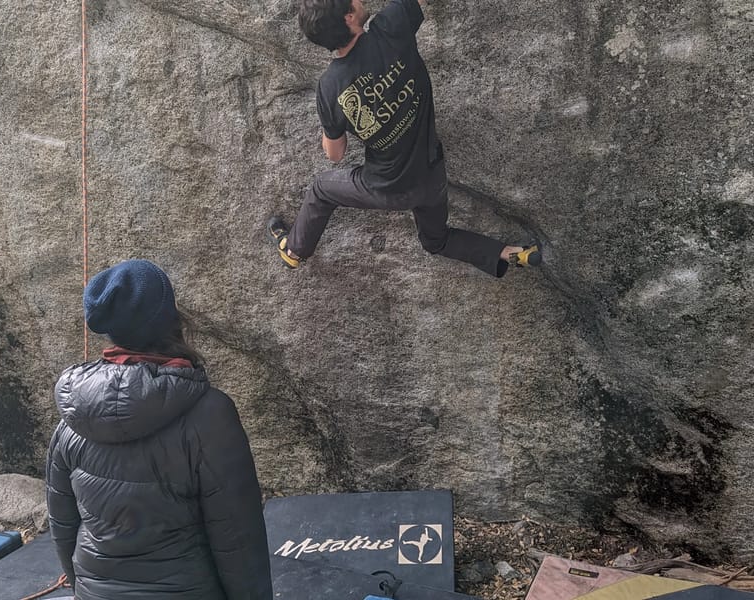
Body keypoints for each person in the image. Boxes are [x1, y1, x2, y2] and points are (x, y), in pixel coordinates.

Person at [46, 259, 273, 600]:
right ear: (170, 319)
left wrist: (82, 589)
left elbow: (63, 528)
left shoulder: (73, 414)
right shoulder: (210, 414)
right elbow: (238, 539)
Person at [268, 0, 541, 277]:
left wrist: (332, 125)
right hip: (431, 174)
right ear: (349, 18)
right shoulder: (391, 27)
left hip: (387, 188)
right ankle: (510, 253)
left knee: (321, 189)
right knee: (437, 240)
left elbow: (335, 154)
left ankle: (294, 251)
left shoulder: (330, 88)